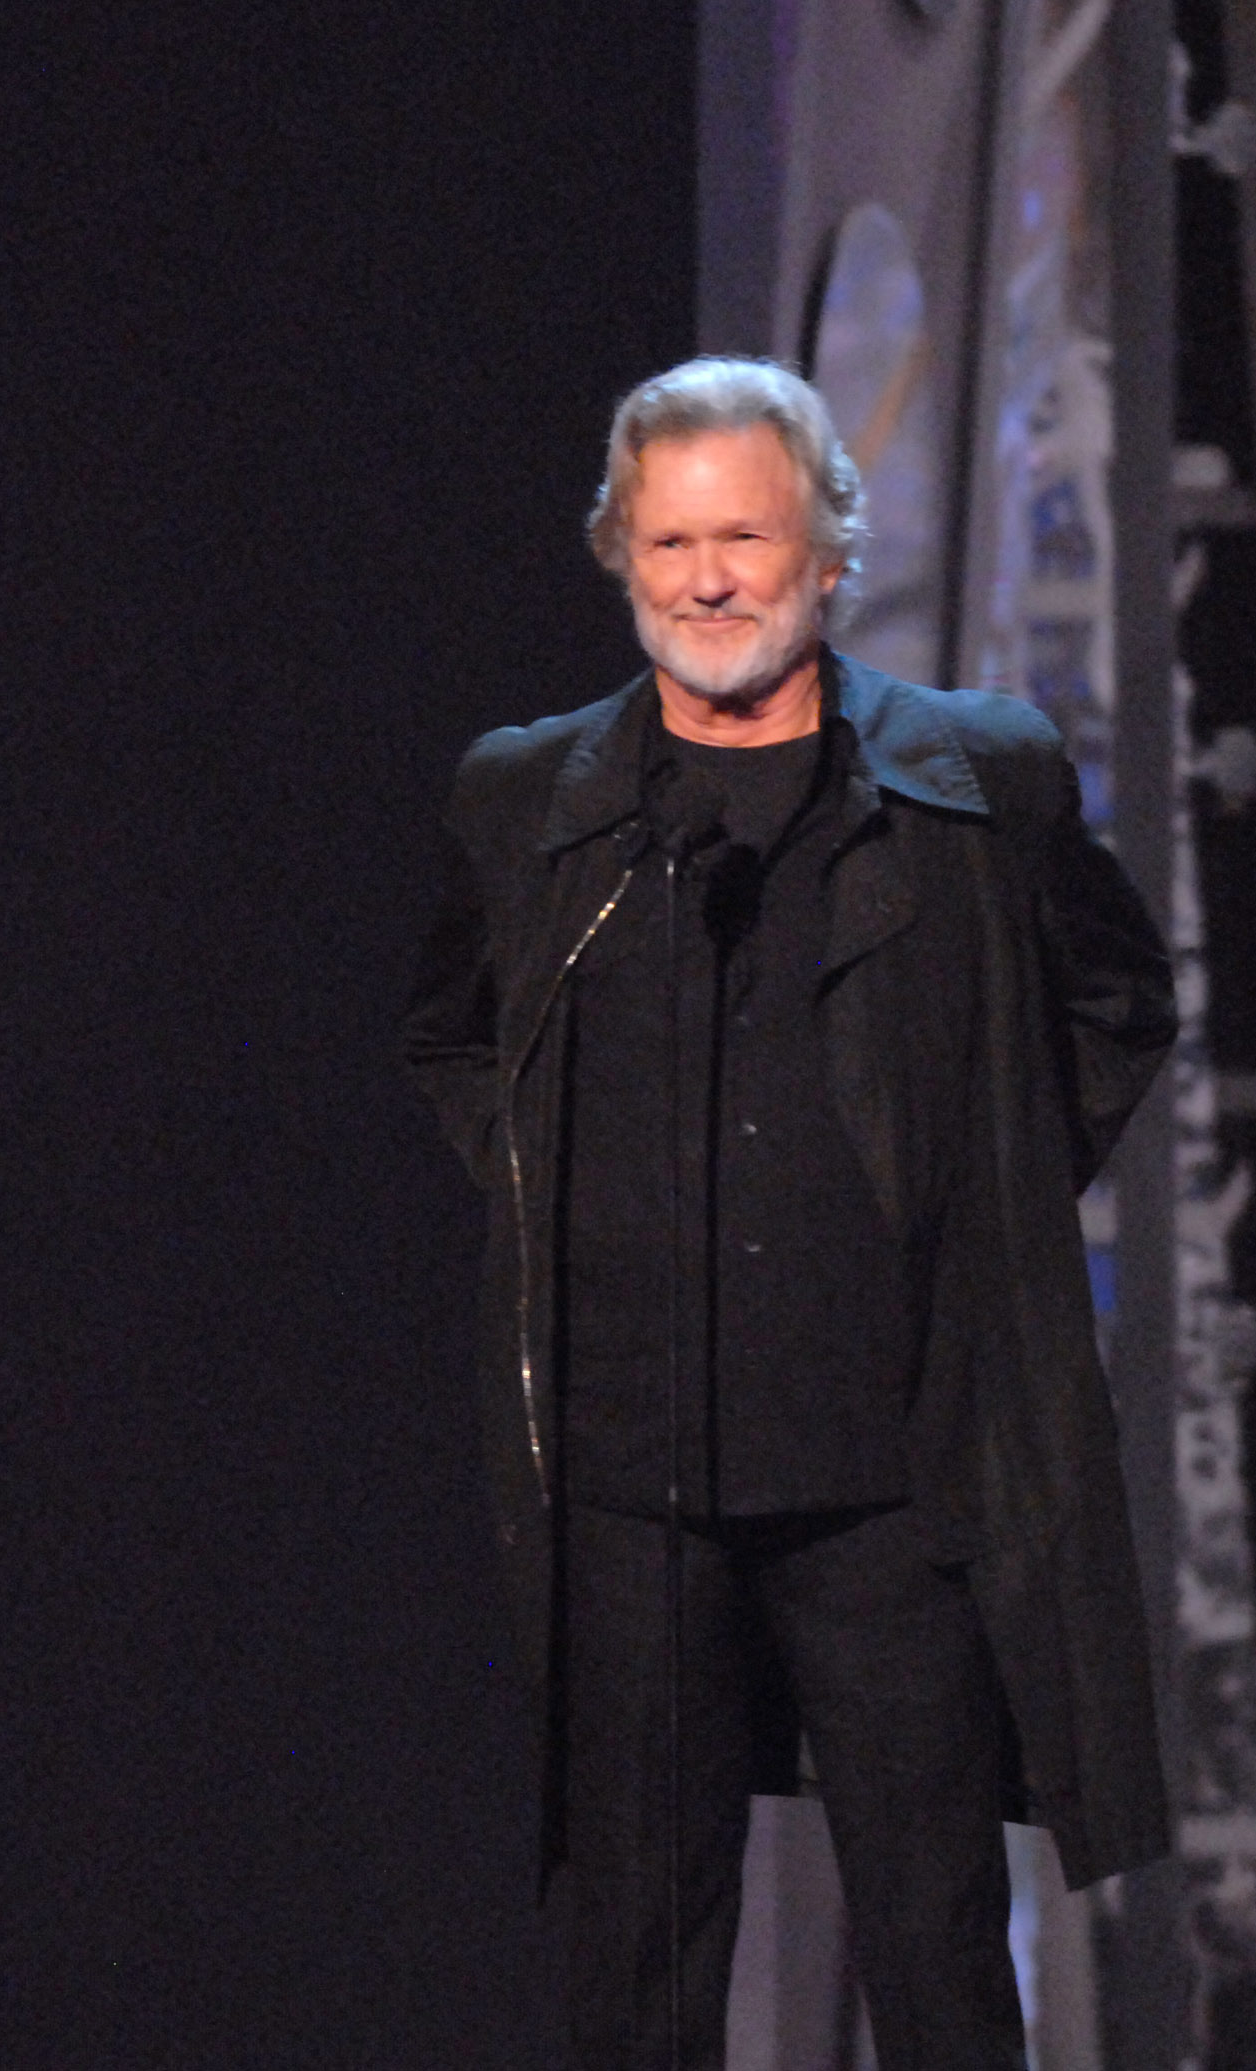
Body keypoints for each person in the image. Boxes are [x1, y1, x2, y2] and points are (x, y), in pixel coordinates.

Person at [400, 357, 1175, 2069]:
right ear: (620, 555)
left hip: (891, 1486)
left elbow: (1118, 1003)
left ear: (829, 552)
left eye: (745, 535)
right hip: (629, 1486)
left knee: (935, 1942)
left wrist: (990, 1197)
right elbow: (457, 1035)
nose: (708, 579)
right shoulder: (532, 804)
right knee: (640, 1960)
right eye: (668, 542)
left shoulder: (978, 786)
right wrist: (552, 1196)